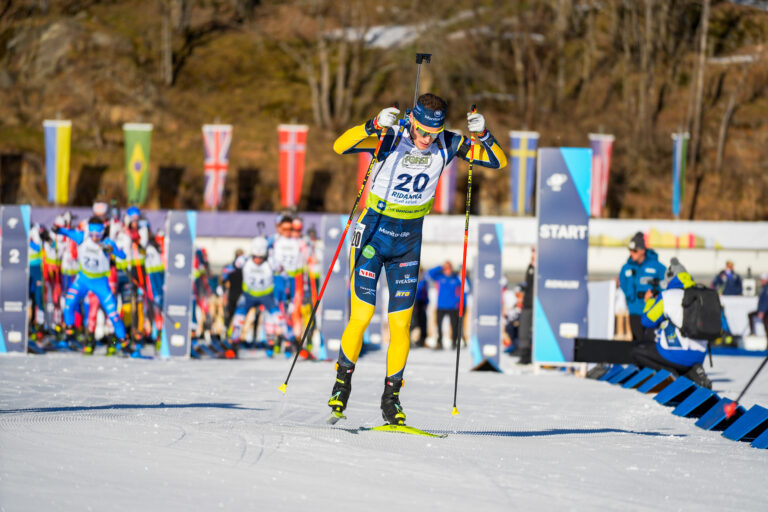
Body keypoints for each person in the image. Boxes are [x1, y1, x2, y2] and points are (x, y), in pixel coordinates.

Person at [326, 93, 507, 425]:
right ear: (412, 120)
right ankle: (341, 387)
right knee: (362, 315)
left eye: (433, 133)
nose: (426, 139)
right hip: (373, 233)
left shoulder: (448, 143)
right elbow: (340, 146)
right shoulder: (391, 136)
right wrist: (372, 125)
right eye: (422, 131)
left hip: (408, 241)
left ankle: (391, 400)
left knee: (401, 325)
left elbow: (498, 162)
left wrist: (484, 135)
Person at [53, 217, 129, 355]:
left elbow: (123, 255)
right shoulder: (82, 237)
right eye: (92, 234)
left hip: (101, 283)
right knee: (69, 304)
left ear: (102, 232)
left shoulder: (107, 242)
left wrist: (112, 250)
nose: (94, 238)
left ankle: (123, 342)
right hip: (83, 280)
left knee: (113, 315)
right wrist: (58, 230)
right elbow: (67, 232)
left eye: (97, 235)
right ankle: (70, 332)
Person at [633, 258, 712, 389]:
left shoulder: (667, 296)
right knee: (682, 358)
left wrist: (650, 301)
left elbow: (646, 321)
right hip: (700, 354)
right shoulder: (702, 296)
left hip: (674, 354)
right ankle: (696, 373)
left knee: (636, 351)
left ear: (670, 278)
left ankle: (672, 375)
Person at [618, 232, 666, 343]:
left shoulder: (657, 267)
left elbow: (666, 285)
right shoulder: (626, 268)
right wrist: (631, 297)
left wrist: (655, 295)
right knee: (637, 342)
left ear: (642, 251)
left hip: (651, 311)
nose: (631, 253)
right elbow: (623, 283)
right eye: (630, 250)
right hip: (634, 311)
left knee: (651, 342)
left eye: (634, 251)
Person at [427, 261, 466, 350]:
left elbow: (461, 291)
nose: (447, 270)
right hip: (441, 306)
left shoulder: (455, 279)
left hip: (452, 307)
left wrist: (457, 302)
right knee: (439, 325)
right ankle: (439, 342)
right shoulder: (439, 277)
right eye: (446, 268)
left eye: (449, 268)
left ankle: (454, 342)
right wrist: (440, 266)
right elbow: (429, 274)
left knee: (454, 325)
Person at [517, 247, 535, 364]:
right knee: (523, 329)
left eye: (534, 251)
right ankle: (524, 355)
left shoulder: (540, 267)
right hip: (528, 303)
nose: (532, 253)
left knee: (534, 331)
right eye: (532, 251)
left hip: (536, 304)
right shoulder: (530, 267)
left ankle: (533, 355)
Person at [410, 269, 429, 348]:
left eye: (421, 272)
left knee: (423, 322)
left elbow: (425, 293)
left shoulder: (424, 281)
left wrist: (426, 302)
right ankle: (410, 341)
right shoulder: (412, 280)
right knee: (414, 323)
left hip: (422, 303)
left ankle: (422, 341)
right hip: (414, 303)